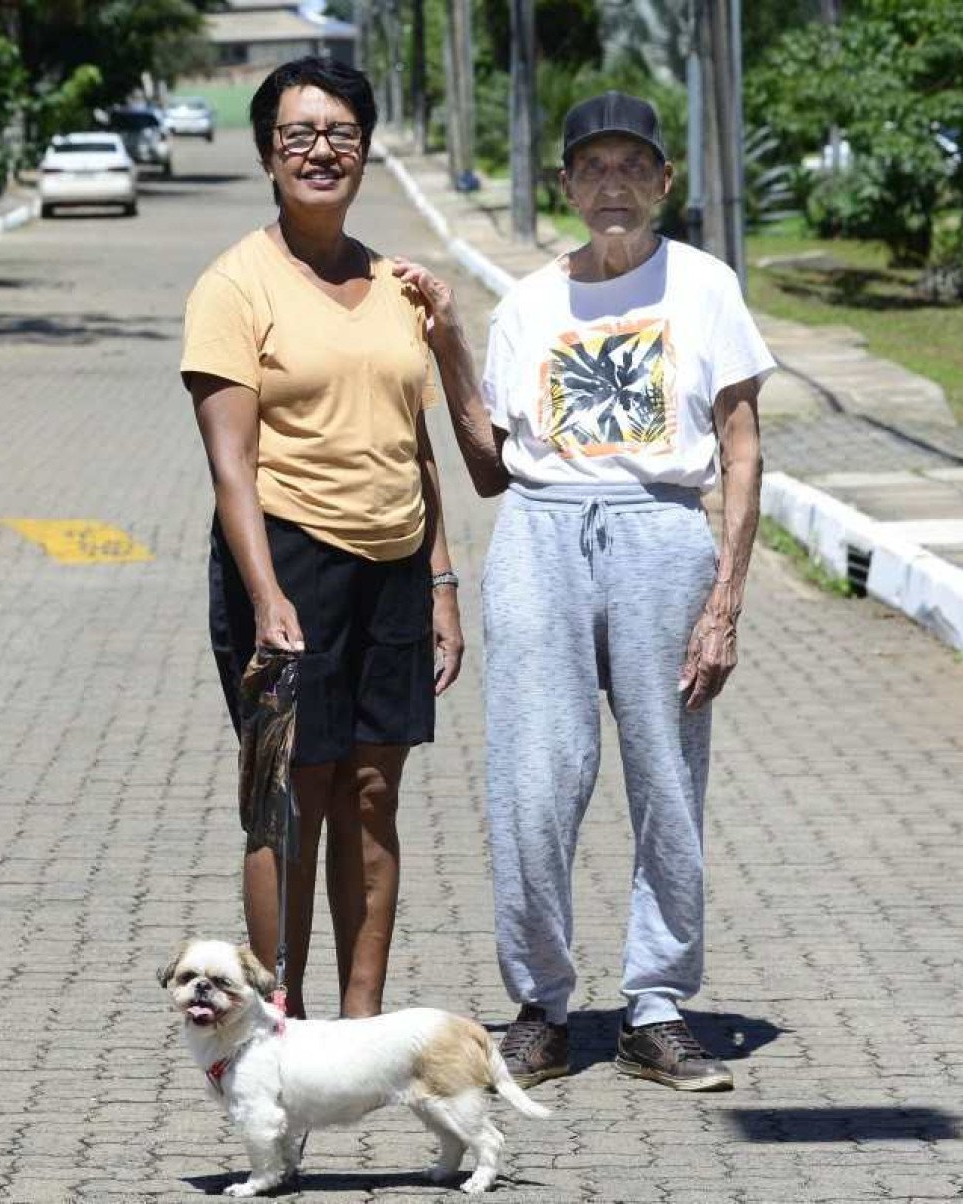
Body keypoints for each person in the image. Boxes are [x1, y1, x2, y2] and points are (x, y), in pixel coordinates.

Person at [398, 90, 773, 1090]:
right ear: (566, 184)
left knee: (666, 778)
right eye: (592, 167)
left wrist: (725, 603)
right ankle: (543, 1008)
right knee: (531, 777)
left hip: (660, 530)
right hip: (542, 533)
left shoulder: (704, 287)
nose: (613, 184)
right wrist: (446, 343)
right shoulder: (529, 304)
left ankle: (656, 1007)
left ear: (664, 180)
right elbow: (491, 467)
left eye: (632, 166)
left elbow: (741, 448)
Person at [180, 56, 465, 1021]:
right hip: (290, 564)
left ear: (366, 151)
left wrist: (443, 584)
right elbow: (231, 468)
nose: (320, 151)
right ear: (268, 153)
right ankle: (279, 1025)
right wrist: (267, 599)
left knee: (373, 796)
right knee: (289, 800)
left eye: (340, 134)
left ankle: (362, 1028)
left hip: (393, 571)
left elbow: (414, 444)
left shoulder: (394, 284)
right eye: (298, 134)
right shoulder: (234, 285)